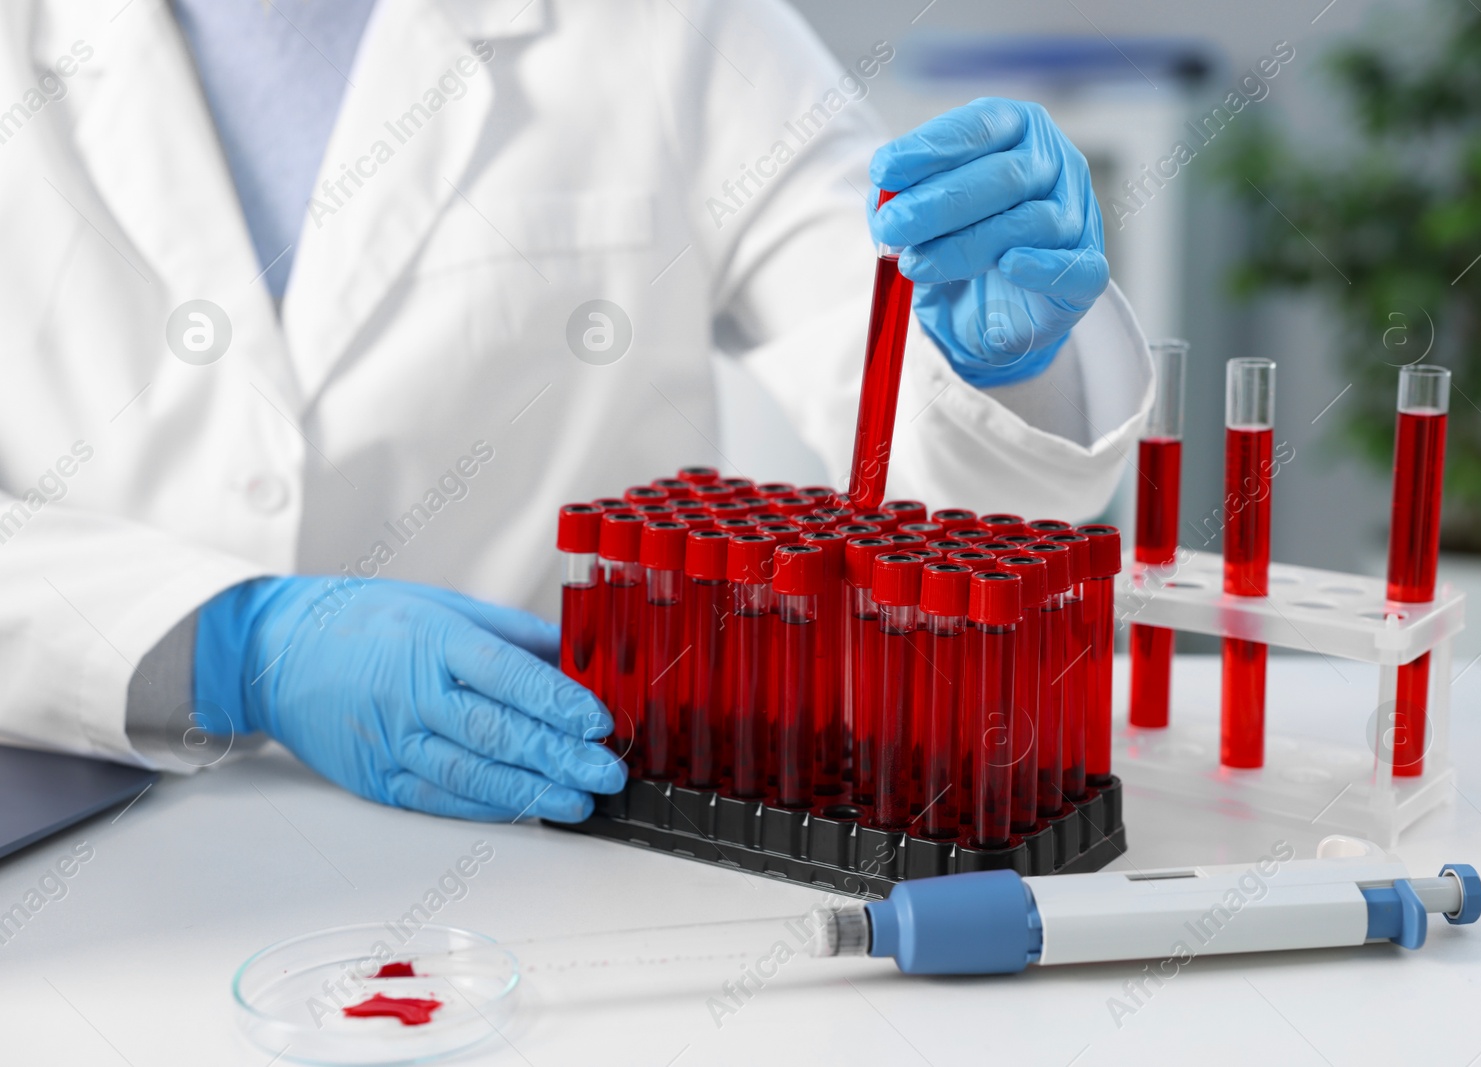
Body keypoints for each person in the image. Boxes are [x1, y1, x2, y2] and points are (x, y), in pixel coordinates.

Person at [0, 0, 1150, 823]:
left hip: (561, 818)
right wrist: (232, 645)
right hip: (95, 831)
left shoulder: (669, 26)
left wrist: (1003, 358)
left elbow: (939, 477)